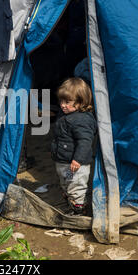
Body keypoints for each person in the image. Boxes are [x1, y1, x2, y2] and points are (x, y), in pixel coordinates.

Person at [51, 78, 97, 215]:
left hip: (75, 163)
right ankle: (70, 199)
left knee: (76, 185)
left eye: (67, 102)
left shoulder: (82, 120)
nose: (62, 105)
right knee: (66, 181)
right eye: (61, 101)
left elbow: (85, 141)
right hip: (64, 161)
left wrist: (78, 159)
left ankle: (78, 208)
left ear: (80, 102)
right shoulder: (66, 115)